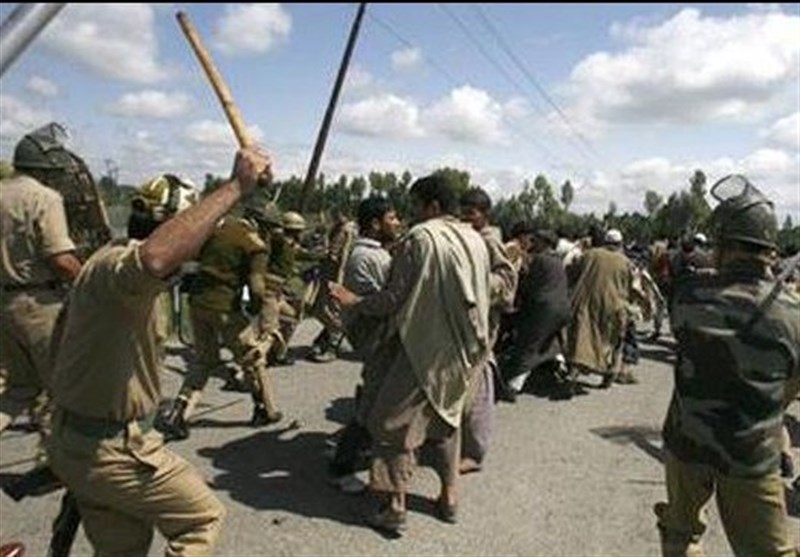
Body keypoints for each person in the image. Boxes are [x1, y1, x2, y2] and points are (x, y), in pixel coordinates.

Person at [46, 145, 272, 556]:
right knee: (202, 519)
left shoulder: (105, 267)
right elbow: (154, 257)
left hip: (81, 441)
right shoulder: (123, 273)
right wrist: (237, 185)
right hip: (113, 449)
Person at [331, 174, 491, 534]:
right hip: (465, 352)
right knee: (446, 423)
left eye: (416, 205)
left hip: (422, 349)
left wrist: (354, 301)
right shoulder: (474, 238)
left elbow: (393, 299)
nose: (410, 214)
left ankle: (394, 506)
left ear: (432, 205)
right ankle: (449, 498)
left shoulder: (419, 239)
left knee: (393, 425)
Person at [654, 175, 800, 557]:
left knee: (680, 536)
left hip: (686, 442)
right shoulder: (792, 312)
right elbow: (791, 387)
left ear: (723, 246)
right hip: (751, 455)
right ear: (770, 251)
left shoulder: (689, 296)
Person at [158, 191, 284, 441]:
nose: (270, 234)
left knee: (204, 361)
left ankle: (179, 413)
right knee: (253, 358)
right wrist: (255, 309)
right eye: (269, 228)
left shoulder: (218, 228)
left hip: (198, 302)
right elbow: (257, 287)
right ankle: (265, 409)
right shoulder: (255, 246)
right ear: (260, 223)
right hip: (225, 308)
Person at [0, 124, 84, 459]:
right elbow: (60, 258)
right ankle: (54, 463)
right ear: (45, 167)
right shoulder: (44, 198)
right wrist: (88, 280)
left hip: (3, 303)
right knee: (60, 389)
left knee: (19, 389)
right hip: (39, 304)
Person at [328, 196, 401, 489]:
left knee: (375, 393)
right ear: (375, 224)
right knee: (372, 402)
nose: (397, 223)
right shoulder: (370, 257)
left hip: (377, 336)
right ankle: (341, 467)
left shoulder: (375, 253)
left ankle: (362, 447)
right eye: (392, 218)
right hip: (376, 337)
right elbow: (383, 301)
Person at [458, 187, 517, 473]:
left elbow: (506, 281)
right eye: (463, 212)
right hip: (466, 323)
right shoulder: (470, 237)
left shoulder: (489, 240)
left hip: (481, 325)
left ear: (485, 214)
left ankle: (475, 452)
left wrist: (476, 285)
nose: (466, 218)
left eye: (471, 213)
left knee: (479, 386)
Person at [499, 229, 572, 400]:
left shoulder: (539, 260)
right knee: (550, 342)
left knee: (529, 345)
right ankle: (562, 371)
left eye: (536, 240)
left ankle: (513, 386)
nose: (533, 243)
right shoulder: (557, 261)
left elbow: (528, 285)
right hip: (562, 308)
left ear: (545, 243)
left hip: (545, 309)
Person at [567, 228, 634, 388]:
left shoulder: (590, 254)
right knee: (612, 341)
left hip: (587, 303)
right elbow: (631, 287)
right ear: (620, 244)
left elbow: (572, 271)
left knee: (582, 338)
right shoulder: (626, 262)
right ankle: (609, 374)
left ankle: (573, 374)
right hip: (614, 307)